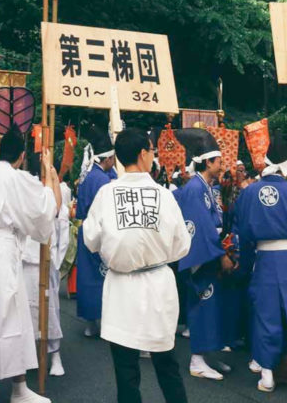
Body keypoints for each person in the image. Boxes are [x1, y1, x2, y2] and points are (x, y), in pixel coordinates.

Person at [82, 127, 191, 403]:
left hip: (121, 286)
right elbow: (182, 245)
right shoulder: (164, 195)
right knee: (167, 366)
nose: (152, 155)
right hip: (157, 283)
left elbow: (91, 239)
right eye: (152, 150)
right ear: (143, 154)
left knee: (126, 371)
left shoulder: (107, 194)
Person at [0, 125, 61, 403]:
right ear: (21, 155)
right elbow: (43, 211)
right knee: (10, 318)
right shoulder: (15, 178)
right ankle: (18, 390)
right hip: (2, 250)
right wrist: (49, 174)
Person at [233, 136, 287, 396]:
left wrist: (245, 268)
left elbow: (243, 236)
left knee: (265, 317)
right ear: (286, 165)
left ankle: (267, 376)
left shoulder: (247, 193)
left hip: (263, 259)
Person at [173, 130, 233, 381]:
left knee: (212, 306)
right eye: (219, 161)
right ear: (208, 162)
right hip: (203, 255)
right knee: (201, 305)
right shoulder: (195, 188)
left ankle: (207, 354)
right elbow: (200, 226)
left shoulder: (204, 185)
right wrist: (220, 255)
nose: (222, 165)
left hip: (211, 251)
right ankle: (197, 359)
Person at [22, 148, 71, 378]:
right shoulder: (26, 184)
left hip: (45, 257)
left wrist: (51, 173)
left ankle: (56, 354)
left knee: (50, 309)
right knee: (26, 309)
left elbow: (57, 208)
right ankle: (29, 353)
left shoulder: (54, 186)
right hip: (26, 258)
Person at [76, 130, 117, 337]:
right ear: (108, 158)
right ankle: (105, 322)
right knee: (102, 278)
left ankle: (90, 323)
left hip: (85, 230)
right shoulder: (102, 180)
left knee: (87, 277)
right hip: (101, 232)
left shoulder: (87, 175)